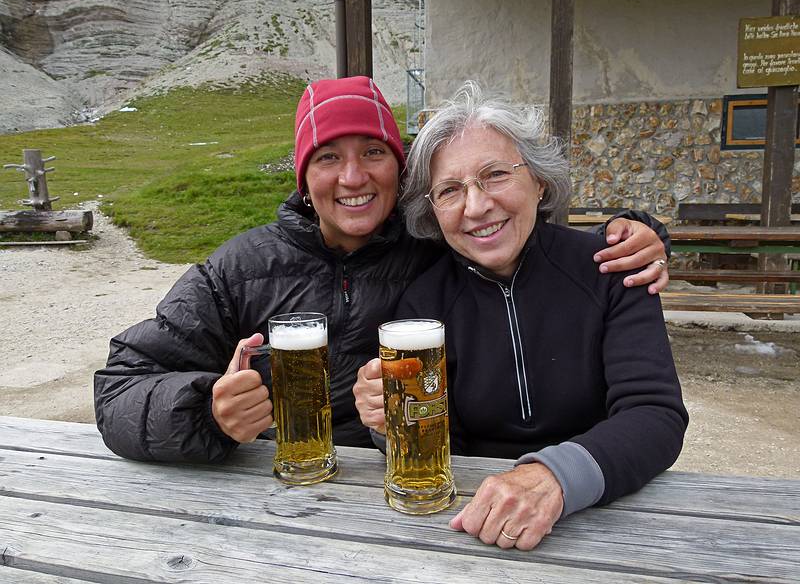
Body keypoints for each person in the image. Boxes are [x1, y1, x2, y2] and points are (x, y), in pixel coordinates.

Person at [94, 76, 672, 463]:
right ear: (303, 176)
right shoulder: (241, 268)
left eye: (373, 153)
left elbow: (520, 235)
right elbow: (120, 386)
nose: (353, 177)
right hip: (282, 488)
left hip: (411, 493)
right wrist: (208, 412)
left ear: (400, 173)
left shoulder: (435, 247)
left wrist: (642, 230)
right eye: (328, 158)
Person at [353, 82, 688, 550]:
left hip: (609, 511)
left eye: (494, 175)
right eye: (450, 190)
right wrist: (385, 425)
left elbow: (656, 415)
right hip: (473, 519)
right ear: (432, 214)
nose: (477, 206)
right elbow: (433, 437)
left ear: (539, 179)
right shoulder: (422, 307)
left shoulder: (610, 268)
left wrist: (554, 477)